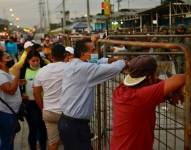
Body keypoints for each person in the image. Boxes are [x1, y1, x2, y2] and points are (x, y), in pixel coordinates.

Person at [58, 39, 126, 150]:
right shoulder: (84, 69)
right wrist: (123, 62)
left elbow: (96, 62)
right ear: (83, 53)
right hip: (74, 126)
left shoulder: (74, 64)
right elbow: (114, 69)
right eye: (92, 50)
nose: (95, 53)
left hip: (70, 122)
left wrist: (109, 60)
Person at [110, 55, 187, 150]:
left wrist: (170, 91)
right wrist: (174, 90)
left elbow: (154, 84)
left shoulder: (120, 90)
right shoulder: (143, 96)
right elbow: (180, 78)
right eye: (156, 74)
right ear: (150, 78)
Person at [33, 43, 66, 150]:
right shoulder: (70, 68)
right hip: (66, 113)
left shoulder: (41, 71)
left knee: (52, 142)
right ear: (65, 55)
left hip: (49, 112)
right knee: (69, 142)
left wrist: (43, 108)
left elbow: (36, 93)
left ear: (51, 56)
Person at [20, 48, 47, 150]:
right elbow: (19, 87)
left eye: (37, 60)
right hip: (30, 104)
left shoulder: (44, 69)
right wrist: (22, 92)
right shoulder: (23, 71)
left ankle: (43, 147)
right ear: (28, 61)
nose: (35, 63)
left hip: (43, 102)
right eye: (33, 61)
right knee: (33, 128)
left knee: (42, 128)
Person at [0, 51, 21, 150]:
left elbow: (12, 86)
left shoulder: (6, 73)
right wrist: (17, 75)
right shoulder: (1, 75)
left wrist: (18, 82)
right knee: (7, 141)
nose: (11, 60)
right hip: (5, 113)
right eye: (7, 58)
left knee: (10, 140)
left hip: (11, 113)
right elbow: (10, 90)